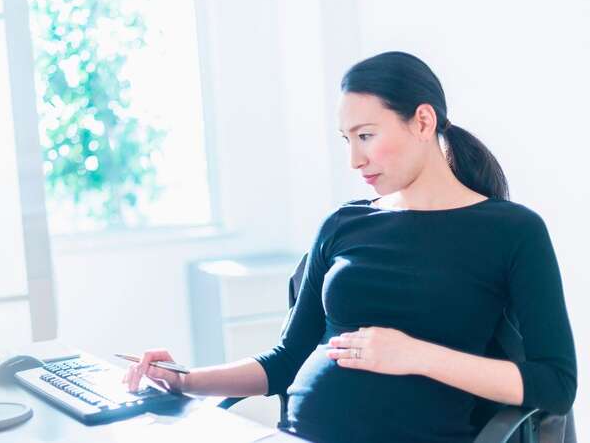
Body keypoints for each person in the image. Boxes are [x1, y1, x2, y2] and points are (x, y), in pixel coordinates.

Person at [122, 51, 577, 443]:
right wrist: (183, 380)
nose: (354, 160)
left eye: (366, 136)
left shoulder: (512, 230)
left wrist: (415, 354)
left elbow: (555, 384)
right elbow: (284, 361)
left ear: (422, 120)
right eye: (346, 140)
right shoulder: (345, 223)